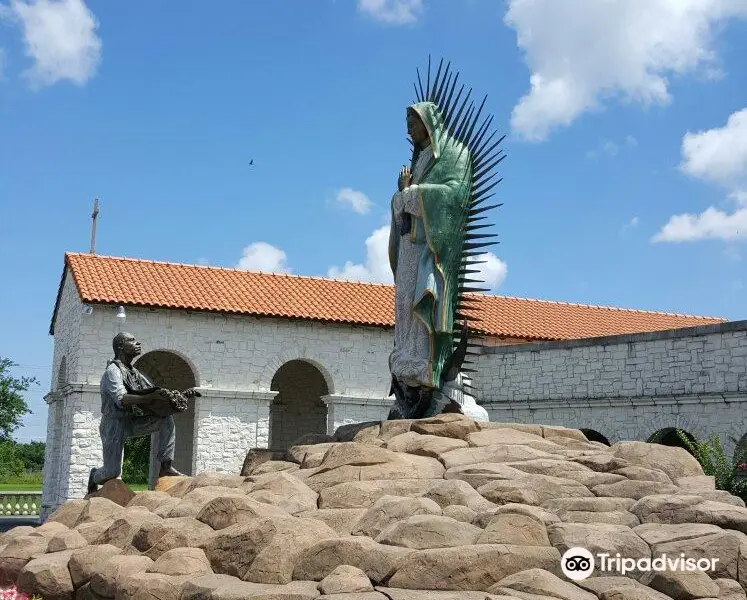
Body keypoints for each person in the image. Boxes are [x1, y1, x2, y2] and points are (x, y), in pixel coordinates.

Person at [387, 102, 472, 419]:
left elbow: (453, 196)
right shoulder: (418, 158)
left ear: (428, 122)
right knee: (405, 308)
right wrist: (401, 196)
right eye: (406, 121)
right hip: (410, 248)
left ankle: (425, 373)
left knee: (425, 304)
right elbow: (404, 200)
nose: (408, 128)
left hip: (432, 251)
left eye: (413, 121)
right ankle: (406, 374)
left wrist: (409, 194)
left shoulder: (455, 154)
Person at [87, 332, 198, 493]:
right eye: (131, 341)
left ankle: (165, 466)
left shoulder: (134, 372)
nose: (137, 343)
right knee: (112, 472)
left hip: (131, 421)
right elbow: (121, 398)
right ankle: (94, 475)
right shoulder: (113, 371)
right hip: (113, 424)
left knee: (165, 419)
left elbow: (155, 393)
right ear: (120, 347)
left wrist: (181, 395)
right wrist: (148, 398)